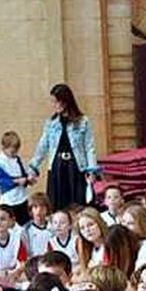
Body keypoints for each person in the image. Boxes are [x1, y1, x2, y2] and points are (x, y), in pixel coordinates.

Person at [28, 83, 99, 211]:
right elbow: (42, 146)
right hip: (57, 166)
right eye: (53, 102)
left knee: (77, 203)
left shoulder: (83, 121)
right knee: (57, 203)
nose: (54, 105)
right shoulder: (51, 124)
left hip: (76, 166)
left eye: (56, 101)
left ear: (65, 101)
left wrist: (91, 170)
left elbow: (89, 147)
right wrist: (33, 167)